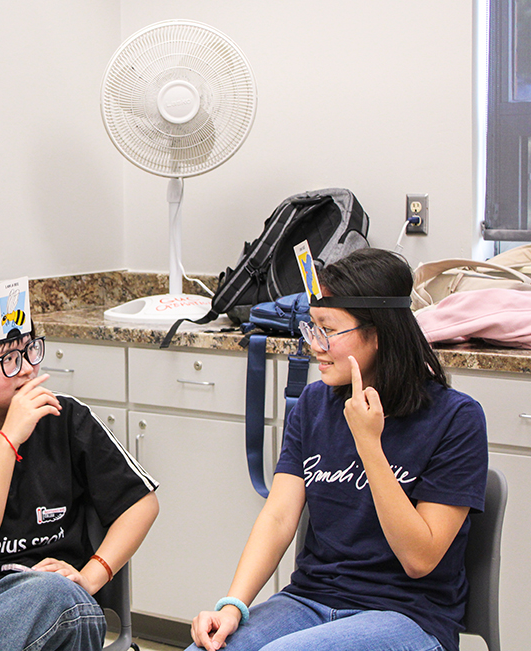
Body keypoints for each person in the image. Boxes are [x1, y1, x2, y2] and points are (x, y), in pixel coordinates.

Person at [189, 248, 489, 651]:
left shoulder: (457, 419)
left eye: (328, 330)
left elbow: (420, 559)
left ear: (379, 332)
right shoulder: (313, 404)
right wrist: (232, 607)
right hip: (309, 600)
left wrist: (369, 444)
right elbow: (278, 517)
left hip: (408, 615)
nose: (315, 344)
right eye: (311, 328)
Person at [0, 275, 160, 651]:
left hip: (60, 597)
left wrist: (91, 576)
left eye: (28, 350)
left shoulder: (66, 417)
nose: (26, 368)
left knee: (59, 601)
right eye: (6, 358)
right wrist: (9, 438)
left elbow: (142, 503)